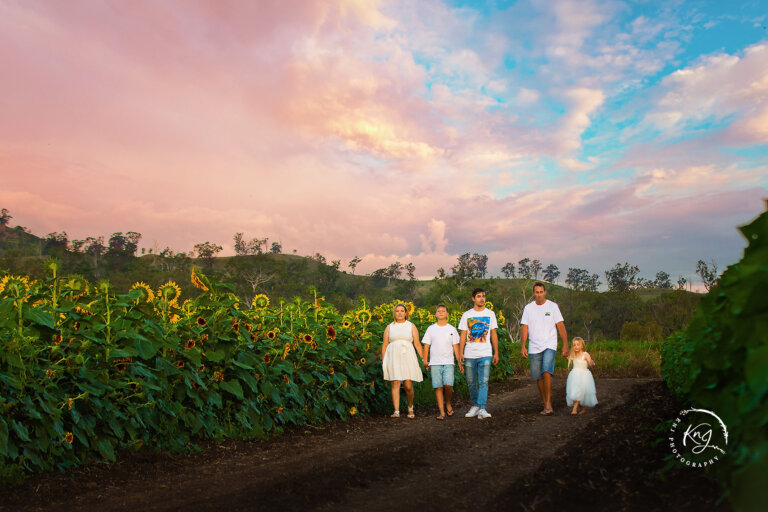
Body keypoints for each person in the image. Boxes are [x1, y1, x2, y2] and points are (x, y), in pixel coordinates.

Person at [520, 282, 569, 416]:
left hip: (549, 344)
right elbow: (525, 327)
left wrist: (565, 344)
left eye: (541, 292)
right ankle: (545, 402)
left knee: (547, 370)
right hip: (534, 346)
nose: (539, 295)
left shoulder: (553, 306)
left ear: (545, 292)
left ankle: (548, 404)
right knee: (538, 376)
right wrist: (523, 345)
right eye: (537, 292)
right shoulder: (528, 308)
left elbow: (560, 325)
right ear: (533, 293)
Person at [458, 288, 499, 419]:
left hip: (485, 352)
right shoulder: (467, 315)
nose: (482, 299)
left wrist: (496, 352)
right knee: (471, 382)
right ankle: (475, 406)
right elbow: (463, 334)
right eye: (479, 296)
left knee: (483, 381)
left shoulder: (490, 314)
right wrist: (460, 353)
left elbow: (493, 333)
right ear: (473, 298)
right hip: (470, 353)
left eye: (483, 296)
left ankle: (482, 408)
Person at [381, 303, 425, 419]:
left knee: (408, 384)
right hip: (393, 357)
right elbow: (385, 345)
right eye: (397, 311)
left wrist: (423, 358)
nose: (399, 313)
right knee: (395, 382)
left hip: (407, 356)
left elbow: (417, 343)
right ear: (394, 313)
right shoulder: (389, 327)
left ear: (406, 313)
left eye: (402, 311)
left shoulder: (411, 326)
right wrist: (384, 361)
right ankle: (396, 411)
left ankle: (410, 407)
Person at [423, 304, 461, 420]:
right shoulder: (431, 329)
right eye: (438, 311)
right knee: (438, 387)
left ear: (447, 314)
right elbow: (426, 346)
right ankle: (442, 412)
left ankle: (448, 403)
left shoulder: (452, 329)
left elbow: (455, 347)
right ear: (435, 314)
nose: (440, 313)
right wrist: (425, 360)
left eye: (443, 311)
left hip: (448, 361)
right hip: (435, 362)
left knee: (448, 385)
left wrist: (459, 361)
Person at [566, 337, 597, 415]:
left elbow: (590, 362)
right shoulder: (574, 355)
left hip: (583, 376)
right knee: (575, 392)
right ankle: (583, 408)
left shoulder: (585, 354)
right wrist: (568, 358)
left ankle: (574, 409)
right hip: (574, 376)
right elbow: (573, 364)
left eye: (578, 345)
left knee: (579, 392)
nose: (576, 346)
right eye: (574, 345)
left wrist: (592, 363)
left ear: (582, 346)